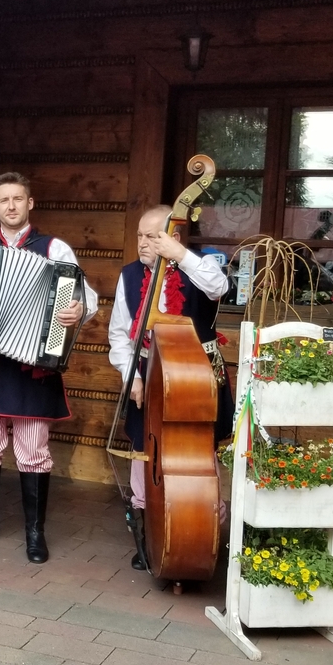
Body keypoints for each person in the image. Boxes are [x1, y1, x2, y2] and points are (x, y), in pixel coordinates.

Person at [0, 172, 97, 563]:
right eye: (4, 200)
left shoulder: (55, 248)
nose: (11, 206)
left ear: (30, 203)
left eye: (18, 198)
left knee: (33, 451)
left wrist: (78, 310)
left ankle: (35, 532)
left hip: (35, 366)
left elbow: (89, 298)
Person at [108, 205, 233, 571]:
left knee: (198, 456)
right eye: (139, 237)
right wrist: (129, 376)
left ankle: (200, 526)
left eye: (152, 236)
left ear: (172, 237)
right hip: (148, 372)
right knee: (145, 451)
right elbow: (119, 333)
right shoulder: (130, 275)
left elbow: (220, 286)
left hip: (195, 378)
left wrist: (179, 255)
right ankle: (150, 532)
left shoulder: (197, 267)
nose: (143, 244)